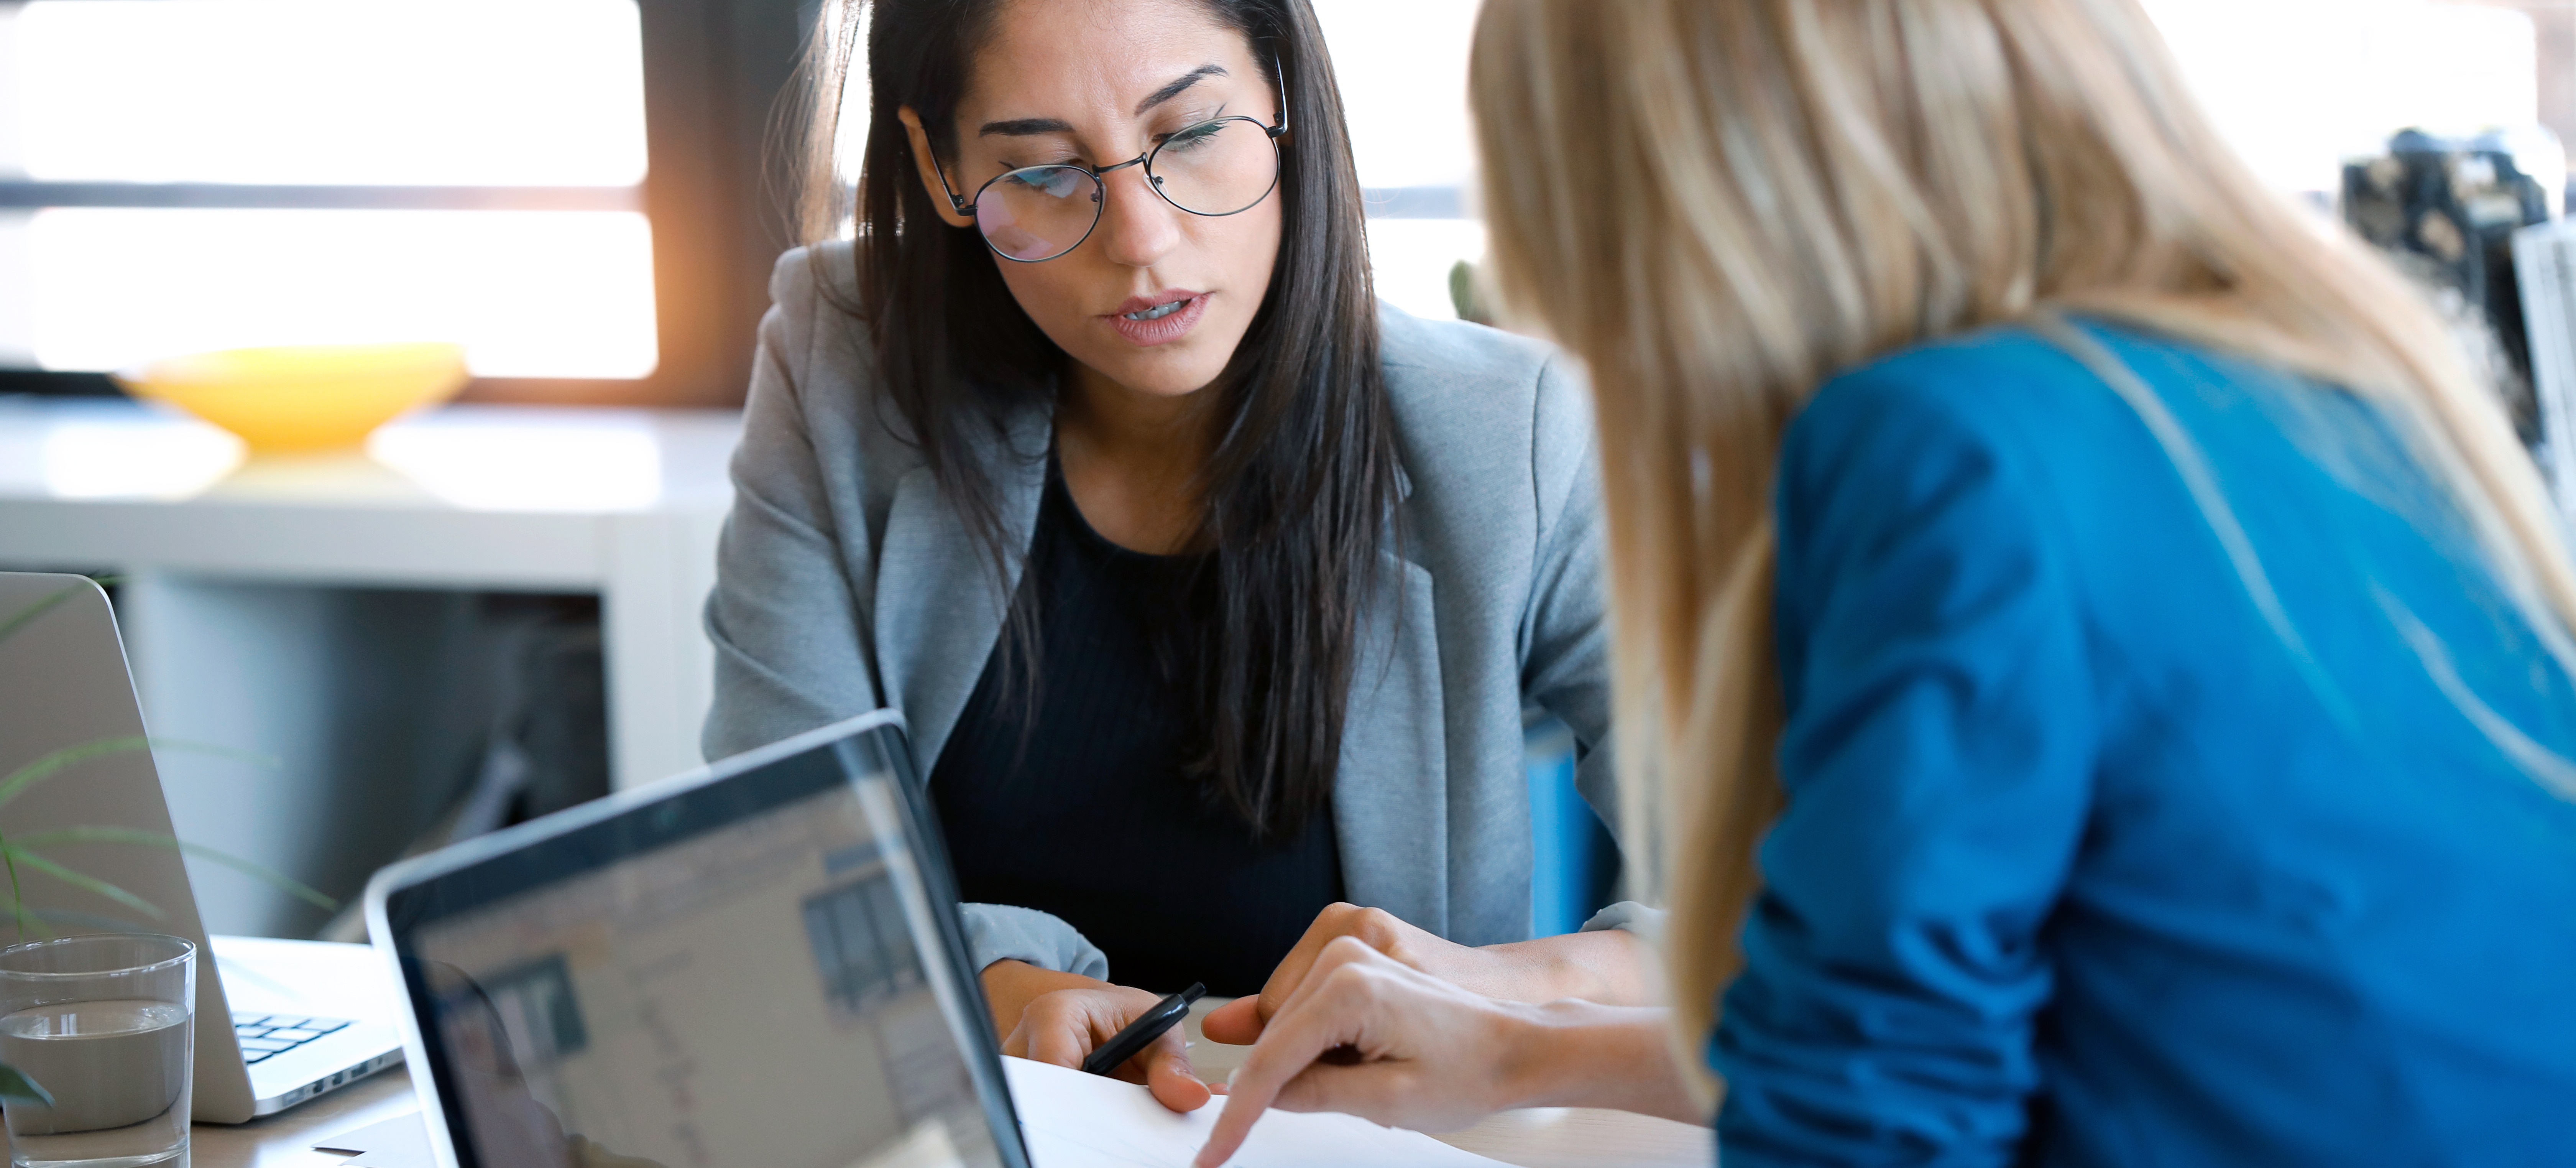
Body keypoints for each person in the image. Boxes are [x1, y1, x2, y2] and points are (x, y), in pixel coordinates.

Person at [1195, 0, 2576, 1164]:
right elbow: (1947, 1028)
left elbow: (1870, 1126)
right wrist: (1514, 1051)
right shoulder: (2319, 375)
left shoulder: (1948, 453)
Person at [699, 0, 1654, 1115]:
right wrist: (995, 988)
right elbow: (769, 873)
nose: (1141, 243)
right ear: (939, 162)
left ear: (1286, 101)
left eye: (1194, 134)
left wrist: (1490, 992)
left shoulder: (1508, 437)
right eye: (1046, 170)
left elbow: (1795, 883)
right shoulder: (842, 360)